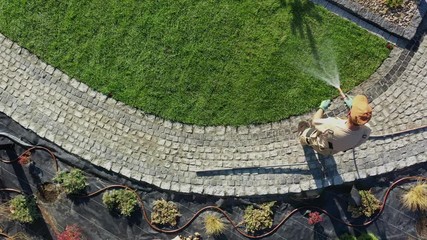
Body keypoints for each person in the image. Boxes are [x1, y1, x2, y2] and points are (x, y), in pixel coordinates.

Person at [298, 95, 372, 156]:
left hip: (320, 144)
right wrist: (352, 108)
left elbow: (314, 121)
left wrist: (322, 108)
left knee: (306, 135)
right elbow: (358, 121)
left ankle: (302, 139)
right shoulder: (367, 130)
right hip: (333, 150)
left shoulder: (333, 125)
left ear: (349, 113)